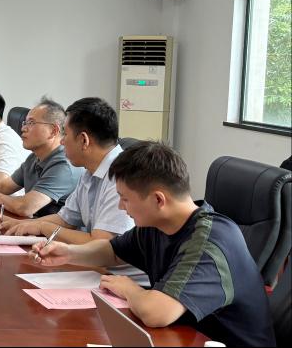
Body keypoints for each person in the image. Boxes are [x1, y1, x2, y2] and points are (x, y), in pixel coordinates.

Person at [32, 142, 275, 347]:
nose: (121, 207)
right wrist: (68, 253)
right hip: (182, 337)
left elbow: (157, 313)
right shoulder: (157, 225)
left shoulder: (209, 241)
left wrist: (128, 289)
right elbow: (113, 251)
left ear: (158, 199)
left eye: (125, 199)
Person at [0, 97, 133, 244]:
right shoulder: (90, 172)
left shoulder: (121, 176)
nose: (61, 141)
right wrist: (20, 224)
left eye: (65, 134)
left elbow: (102, 243)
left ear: (84, 140)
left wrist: (42, 227)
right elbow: (65, 219)